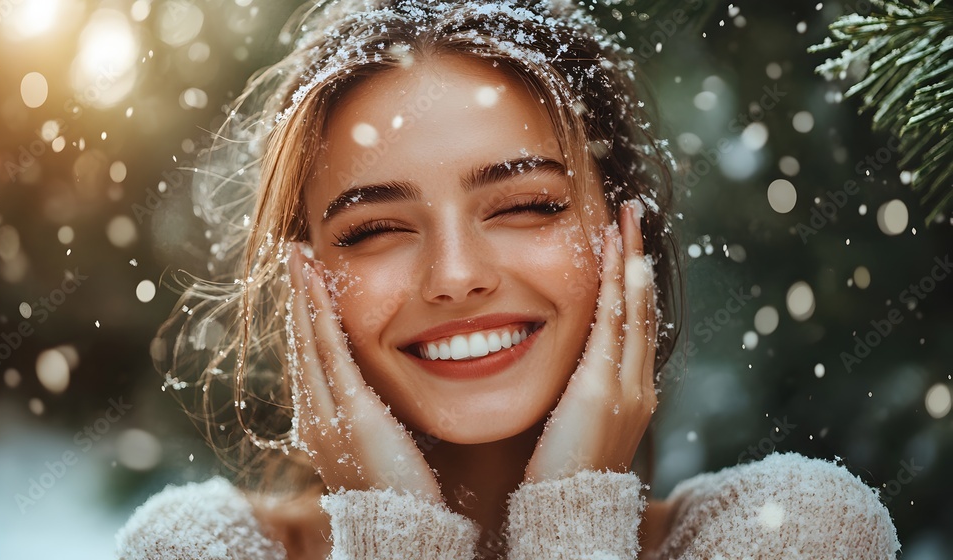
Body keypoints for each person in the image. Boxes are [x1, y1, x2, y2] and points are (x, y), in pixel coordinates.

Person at [116, 0, 901, 558]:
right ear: (303, 281)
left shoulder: (793, 534)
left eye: (525, 206)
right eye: (377, 229)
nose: (455, 277)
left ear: (626, 238)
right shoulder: (200, 550)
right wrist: (386, 531)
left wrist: (574, 525)